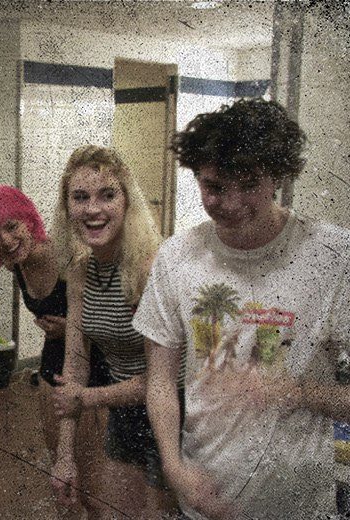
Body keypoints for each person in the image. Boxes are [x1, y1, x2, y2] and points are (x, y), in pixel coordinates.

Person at [136, 98, 350, 519]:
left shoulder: (333, 256)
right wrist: (174, 467)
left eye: (250, 184)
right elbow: (159, 380)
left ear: (278, 176)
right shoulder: (176, 257)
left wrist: (292, 392)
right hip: (204, 500)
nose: (231, 205)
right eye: (215, 188)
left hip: (301, 506)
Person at [0, 185, 111, 516]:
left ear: (29, 220)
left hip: (96, 367)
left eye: (11, 226)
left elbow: (119, 321)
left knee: (95, 486)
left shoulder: (70, 256)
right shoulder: (14, 261)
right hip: (52, 365)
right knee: (62, 471)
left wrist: (73, 328)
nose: (6, 241)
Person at [48, 145, 178, 518]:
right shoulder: (79, 272)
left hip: (175, 413)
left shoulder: (150, 269)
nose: (93, 209)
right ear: (67, 207)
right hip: (125, 414)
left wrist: (89, 398)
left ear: (127, 203)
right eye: (80, 197)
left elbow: (162, 379)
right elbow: (75, 365)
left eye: (107, 195)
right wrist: (65, 457)